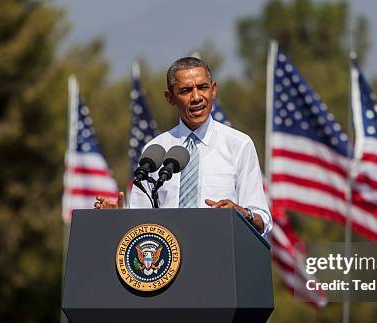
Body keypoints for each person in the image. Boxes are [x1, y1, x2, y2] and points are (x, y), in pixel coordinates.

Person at [95, 57, 271, 235]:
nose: (196, 97)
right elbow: (141, 223)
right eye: (186, 90)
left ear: (214, 90)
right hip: (168, 257)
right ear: (170, 98)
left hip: (222, 254)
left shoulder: (239, 144)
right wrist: (117, 218)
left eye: (202, 87)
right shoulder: (155, 150)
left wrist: (243, 214)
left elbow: (263, 220)